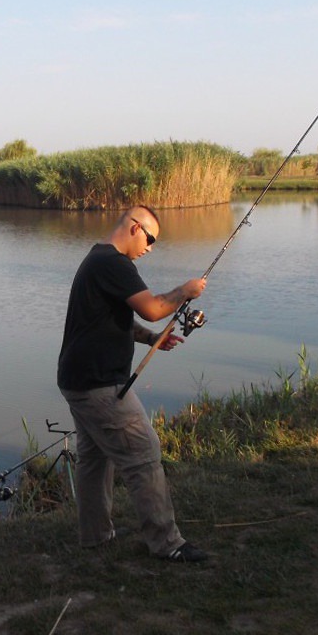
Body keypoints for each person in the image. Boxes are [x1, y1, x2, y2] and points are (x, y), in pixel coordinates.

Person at [57, 205, 208, 562]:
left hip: (77, 379)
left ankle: (95, 536)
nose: (150, 247)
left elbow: (114, 320)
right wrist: (185, 291)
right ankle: (167, 543)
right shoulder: (114, 264)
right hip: (98, 383)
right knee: (143, 453)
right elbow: (153, 307)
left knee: (94, 460)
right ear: (135, 227)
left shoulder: (97, 259)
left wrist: (152, 338)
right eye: (150, 238)